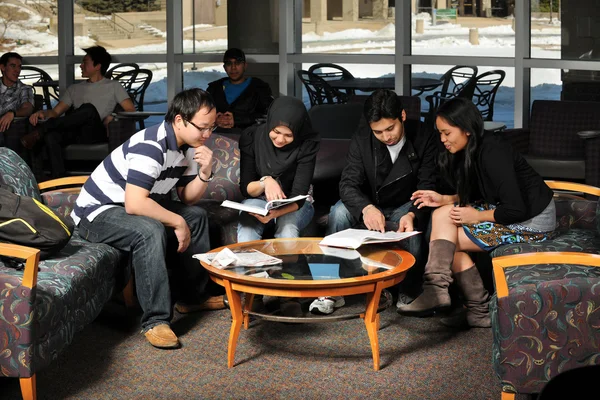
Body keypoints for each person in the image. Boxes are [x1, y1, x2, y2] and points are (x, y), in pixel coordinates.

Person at [72, 88, 224, 349]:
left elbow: (187, 198)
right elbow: (135, 203)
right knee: (150, 229)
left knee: (197, 216)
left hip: (137, 205)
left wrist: (205, 172)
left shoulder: (188, 146)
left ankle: (192, 298)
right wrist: (177, 222)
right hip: (97, 212)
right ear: (179, 120)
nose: (208, 134)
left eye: (212, 127)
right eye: (203, 127)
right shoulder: (151, 145)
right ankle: (155, 320)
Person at [397, 97, 557, 328]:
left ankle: (475, 307)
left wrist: (478, 216)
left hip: (532, 221)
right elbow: (483, 192)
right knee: (442, 214)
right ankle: (438, 290)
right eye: (440, 133)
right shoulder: (473, 148)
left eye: (447, 133)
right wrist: (446, 199)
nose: (442, 139)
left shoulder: (494, 152)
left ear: (466, 129)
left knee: (446, 244)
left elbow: (516, 208)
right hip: (507, 210)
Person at [309, 89, 438, 315]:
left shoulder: (425, 135)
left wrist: (412, 214)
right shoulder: (362, 139)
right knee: (338, 213)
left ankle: (410, 291)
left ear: (403, 117)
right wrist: (366, 208)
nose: (386, 136)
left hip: (407, 203)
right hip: (369, 201)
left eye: (391, 128)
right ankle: (329, 288)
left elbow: (427, 186)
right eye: (378, 132)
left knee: (413, 228)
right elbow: (347, 184)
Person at [237, 96, 320, 317]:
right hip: (259, 198)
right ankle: (251, 292)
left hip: (294, 204)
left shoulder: (307, 144)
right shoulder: (252, 137)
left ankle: (288, 294)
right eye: (276, 131)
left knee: (287, 227)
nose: (280, 139)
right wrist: (266, 181)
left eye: (288, 135)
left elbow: (299, 197)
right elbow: (246, 188)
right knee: (246, 227)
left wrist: (275, 213)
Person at [23, 45, 135, 178]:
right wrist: (43, 113)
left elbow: (130, 110)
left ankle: (41, 131)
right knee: (51, 136)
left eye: (85, 62)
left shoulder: (114, 86)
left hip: (96, 132)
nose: (81, 66)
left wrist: (112, 116)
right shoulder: (74, 89)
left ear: (98, 66)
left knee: (88, 108)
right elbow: (55, 113)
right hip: (75, 133)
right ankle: (58, 180)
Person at [206, 48, 273, 132]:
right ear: (224, 67)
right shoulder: (214, 88)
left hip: (250, 139)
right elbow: (202, 114)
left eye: (237, 63)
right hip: (218, 140)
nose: (233, 68)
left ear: (245, 65)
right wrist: (214, 120)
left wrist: (237, 120)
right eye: (229, 63)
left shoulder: (259, 88)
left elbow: (269, 116)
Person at [0, 52, 34, 148]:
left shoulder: (24, 89)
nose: (17, 70)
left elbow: (28, 108)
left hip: (11, 129)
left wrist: (12, 113)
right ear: (3, 67)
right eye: (13, 66)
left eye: (19, 67)